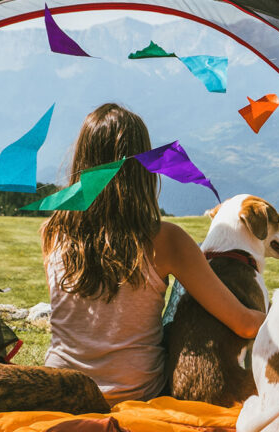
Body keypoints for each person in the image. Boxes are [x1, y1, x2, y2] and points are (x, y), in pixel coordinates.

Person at [40, 103, 265, 406]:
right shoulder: (166, 240)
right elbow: (244, 324)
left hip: (62, 394)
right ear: (143, 166)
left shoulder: (53, 232)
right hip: (136, 395)